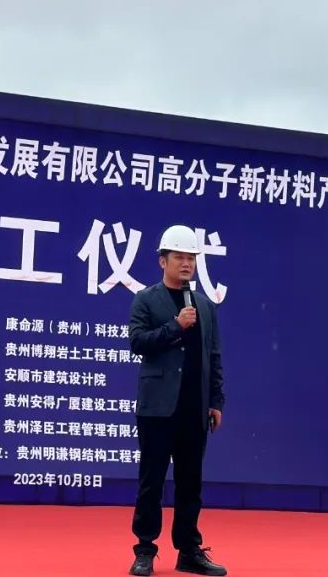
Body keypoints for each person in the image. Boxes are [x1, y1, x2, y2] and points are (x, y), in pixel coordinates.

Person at [127, 225, 227, 576]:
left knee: (190, 482)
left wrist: (216, 400)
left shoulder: (205, 306)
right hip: (157, 408)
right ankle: (144, 549)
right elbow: (137, 342)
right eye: (179, 257)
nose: (186, 264)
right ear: (162, 261)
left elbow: (213, 356)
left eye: (191, 258)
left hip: (193, 408)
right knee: (151, 481)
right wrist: (175, 326)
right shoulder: (145, 299)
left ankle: (188, 550)